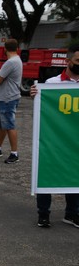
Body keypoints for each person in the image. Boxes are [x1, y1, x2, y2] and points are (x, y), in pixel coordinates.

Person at [29, 44, 79, 228]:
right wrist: (36, 95)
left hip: (75, 141)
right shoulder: (51, 83)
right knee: (46, 172)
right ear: (68, 61)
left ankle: (72, 214)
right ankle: (43, 214)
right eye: (78, 60)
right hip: (53, 139)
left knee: (75, 174)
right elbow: (43, 109)